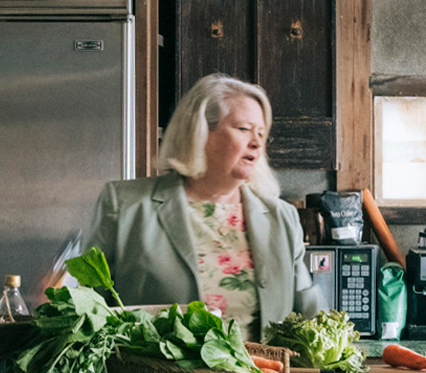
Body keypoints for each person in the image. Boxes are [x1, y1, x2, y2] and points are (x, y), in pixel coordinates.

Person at [83, 73, 322, 337]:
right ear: (200, 132)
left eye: (261, 133)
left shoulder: (282, 217)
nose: (257, 142)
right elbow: (85, 307)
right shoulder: (126, 205)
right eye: (243, 129)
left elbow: (310, 314)